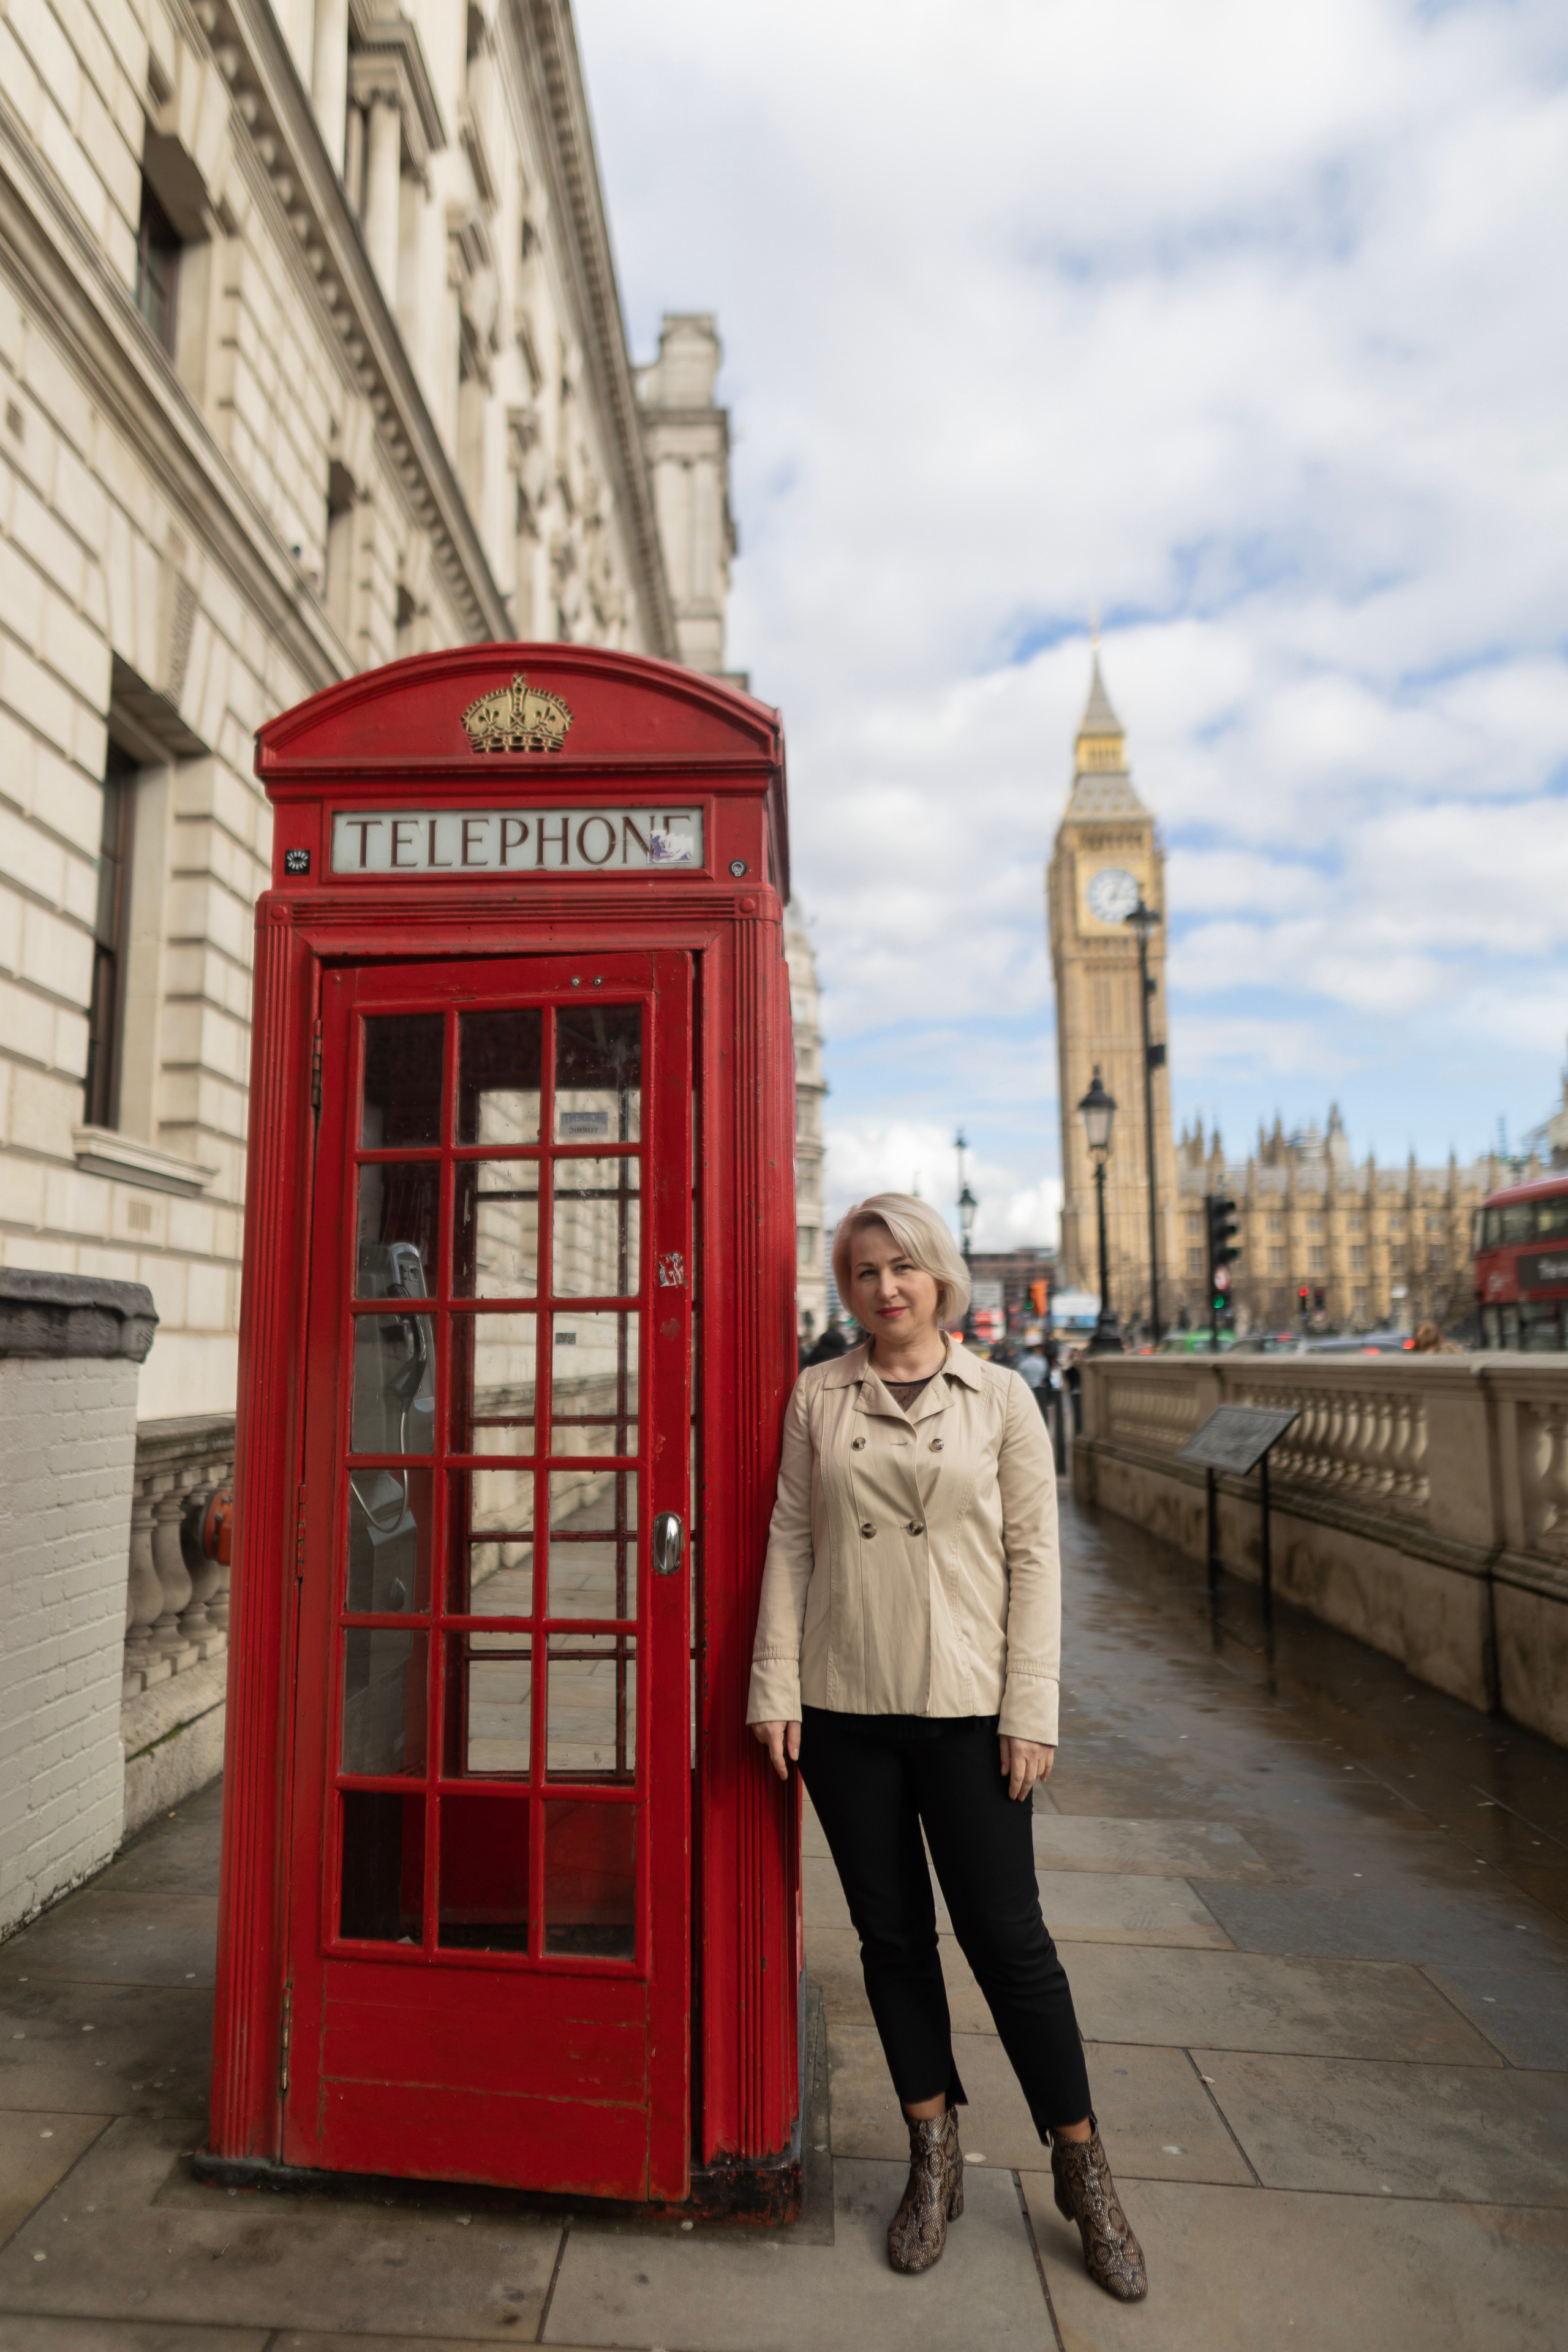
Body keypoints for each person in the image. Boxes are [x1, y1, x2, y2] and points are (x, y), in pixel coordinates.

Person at [748, 1194, 1145, 2296]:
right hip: (845, 1702)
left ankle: (1083, 2166)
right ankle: (936, 2155)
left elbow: (1036, 1561)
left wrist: (1033, 1709)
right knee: (891, 1941)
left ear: (940, 1276)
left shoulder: (1004, 1398)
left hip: (970, 1703)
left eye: (904, 1267)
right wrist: (774, 1685)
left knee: (1010, 1941)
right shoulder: (819, 1395)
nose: (885, 1288)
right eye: (865, 1271)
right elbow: (789, 1541)